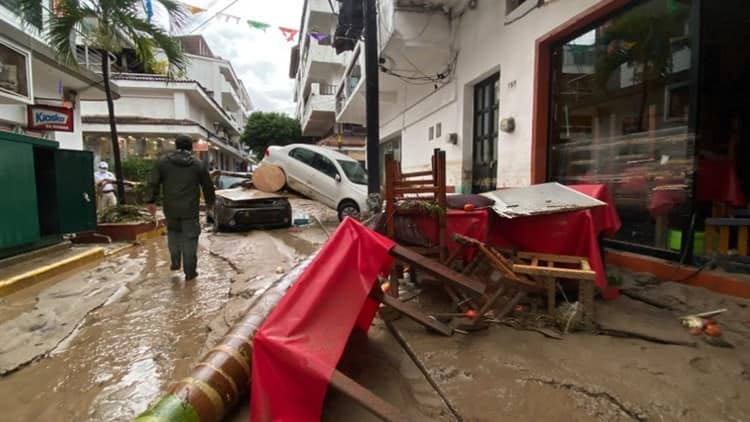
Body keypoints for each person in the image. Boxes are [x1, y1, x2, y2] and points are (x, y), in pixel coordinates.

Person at [147, 135, 215, 281]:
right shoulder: (197, 164)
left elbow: (153, 182)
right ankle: (190, 272)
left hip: (170, 208)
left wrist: (151, 201)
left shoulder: (163, 162)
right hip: (190, 210)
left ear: (176, 145)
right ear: (191, 147)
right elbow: (208, 185)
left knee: (173, 234)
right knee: (190, 238)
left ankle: (175, 262)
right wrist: (210, 202)